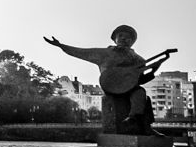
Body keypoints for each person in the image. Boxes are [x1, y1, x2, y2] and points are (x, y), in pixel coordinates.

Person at [44, 26, 175, 135]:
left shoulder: (138, 59)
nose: (124, 39)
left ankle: (139, 122)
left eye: (129, 37)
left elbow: (139, 79)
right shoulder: (104, 53)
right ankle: (140, 124)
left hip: (129, 88)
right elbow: (80, 52)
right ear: (115, 38)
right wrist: (61, 45)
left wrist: (154, 69)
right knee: (137, 94)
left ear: (132, 42)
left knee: (141, 93)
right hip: (111, 87)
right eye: (121, 35)